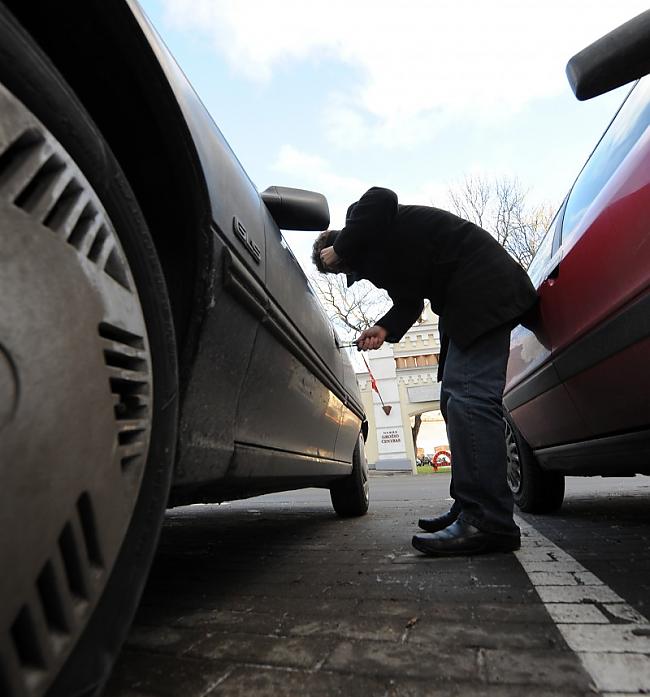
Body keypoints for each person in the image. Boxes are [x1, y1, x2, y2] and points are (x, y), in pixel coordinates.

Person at [312, 186, 538, 556]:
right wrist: (383, 329)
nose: (349, 273)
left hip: (481, 286)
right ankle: (468, 507)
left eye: (340, 267)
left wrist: (340, 248)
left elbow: (381, 195)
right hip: (460, 301)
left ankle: (488, 520)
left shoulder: (366, 217)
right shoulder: (378, 251)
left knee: (468, 398)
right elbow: (410, 299)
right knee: (452, 400)